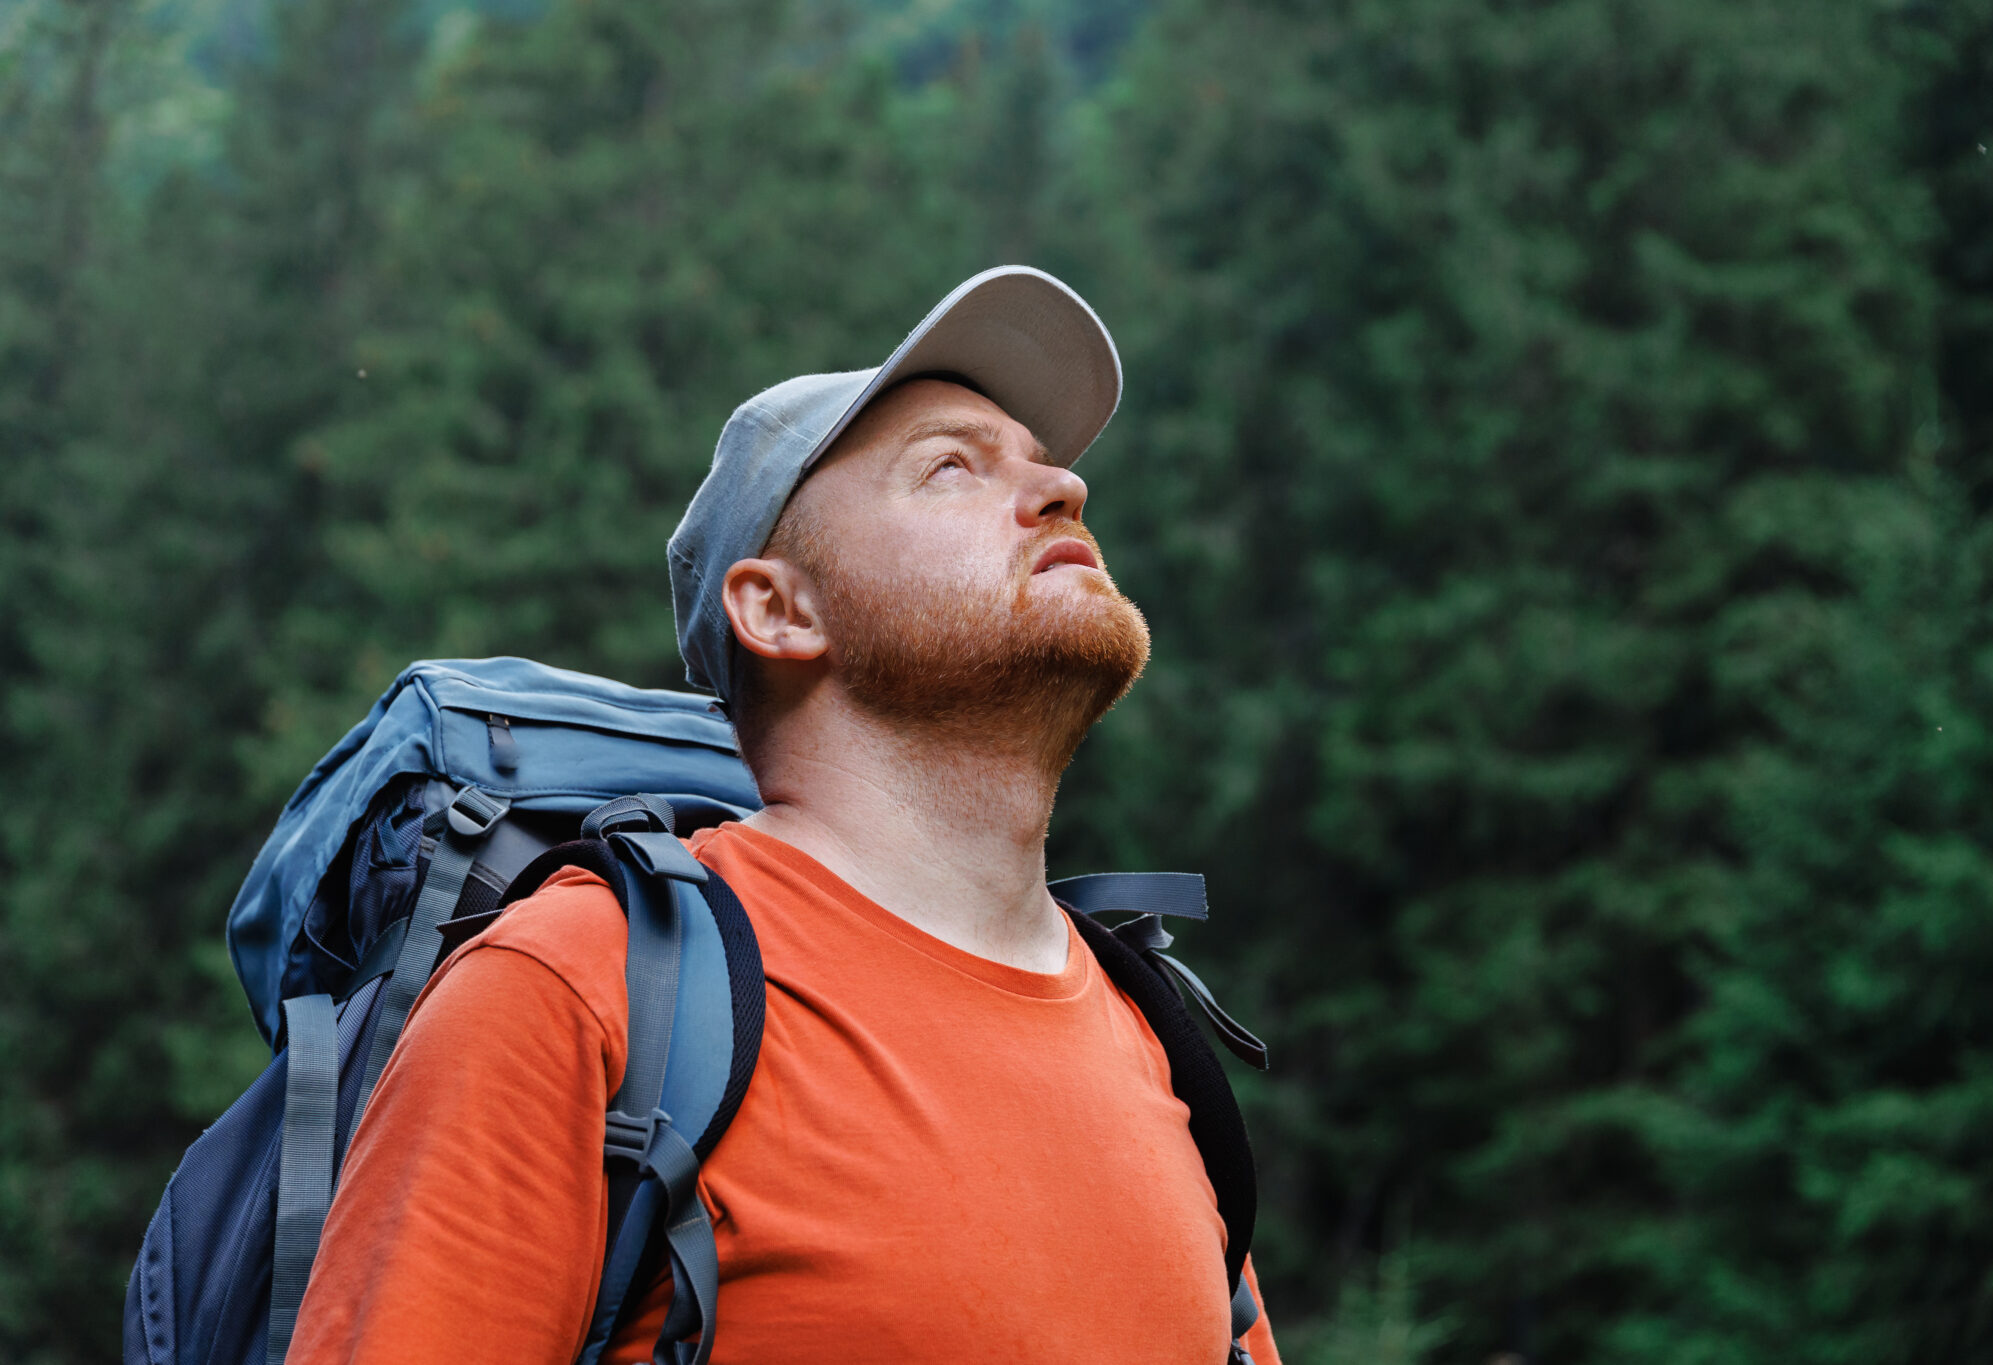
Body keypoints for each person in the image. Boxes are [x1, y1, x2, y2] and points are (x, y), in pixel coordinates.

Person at [286, 266, 1283, 1364]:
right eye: (951, 466)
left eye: (1043, 461)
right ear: (778, 608)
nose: (1063, 489)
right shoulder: (577, 990)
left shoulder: (1157, 1045)